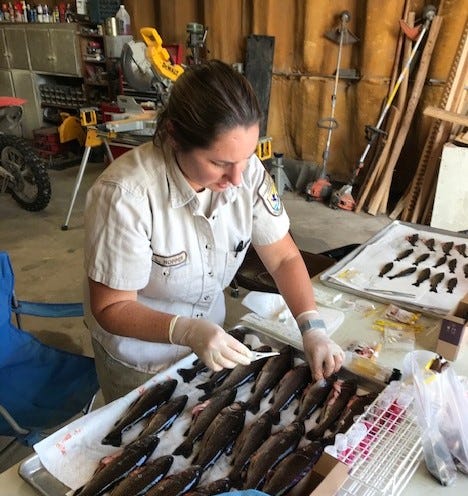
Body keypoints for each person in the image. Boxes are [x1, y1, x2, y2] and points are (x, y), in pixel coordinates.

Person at [83, 59, 344, 403]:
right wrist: (186, 330)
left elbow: (282, 258)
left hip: (209, 343)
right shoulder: (125, 194)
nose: (237, 179)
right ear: (175, 136)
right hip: (139, 357)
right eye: (219, 163)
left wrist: (312, 328)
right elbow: (112, 306)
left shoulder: (246, 174)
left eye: (246, 158)